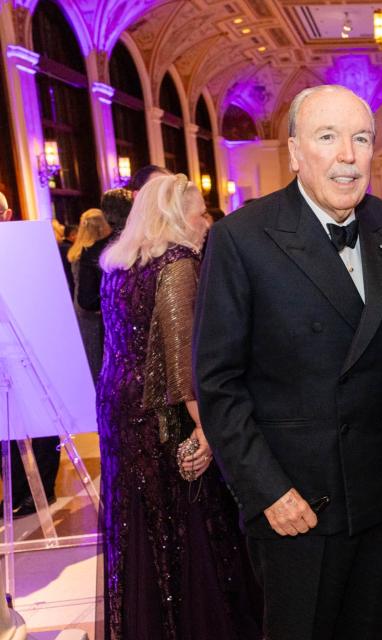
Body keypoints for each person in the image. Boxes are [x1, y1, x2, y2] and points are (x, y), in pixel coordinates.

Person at [194, 85, 382, 639]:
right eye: (328, 137)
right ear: (293, 151)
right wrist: (267, 492)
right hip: (294, 503)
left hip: (372, 499)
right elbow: (218, 383)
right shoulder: (241, 237)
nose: (347, 154)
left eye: (360, 138)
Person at [98, 173, 259, 639]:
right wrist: (207, 430)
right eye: (199, 211)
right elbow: (182, 358)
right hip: (164, 414)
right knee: (187, 522)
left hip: (118, 404)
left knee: (140, 521)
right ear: (175, 215)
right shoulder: (178, 262)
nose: (207, 221)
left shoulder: (118, 263)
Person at [0, 193, 61, 519]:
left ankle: (44, 488)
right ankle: (16, 491)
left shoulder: (27, 248)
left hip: (30, 350)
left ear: (7, 214)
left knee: (40, 424)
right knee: (5, 428)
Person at [68, 208, 111, 378]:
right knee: (98, 354)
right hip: (96, 308)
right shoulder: (97, 253)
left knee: (88, 353)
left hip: (79, 308)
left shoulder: (76, 251)